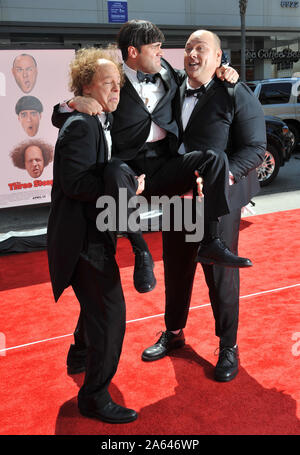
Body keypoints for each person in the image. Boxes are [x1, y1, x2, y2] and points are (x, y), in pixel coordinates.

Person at [51, 20, 243, 376]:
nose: (163, 52)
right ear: (133, 53)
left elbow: (202, 75)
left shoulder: (168, 71)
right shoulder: (113, 80)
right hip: (127, 176)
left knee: (212, 159)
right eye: (155, 46)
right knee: (99, 273)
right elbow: (60, 113)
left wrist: (225, 69)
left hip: (166, 170)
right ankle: (137, 254)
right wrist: (72, 102)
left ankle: (213, 241)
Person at [141, 30, 266, 383]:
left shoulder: (235, 92)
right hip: (179, 200)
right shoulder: (175, 87)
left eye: (201, 48)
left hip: (217, 202)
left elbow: (256, 148)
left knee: (220, 274)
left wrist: (223, 176)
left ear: (218, 58)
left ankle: (228, 346)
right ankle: (175, 332)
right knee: (177, 271)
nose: (192, 53)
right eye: (188, 48)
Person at [47, 48, 139, 424]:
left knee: (95, 305)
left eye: (118, 83)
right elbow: (74, 183)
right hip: (83, 239)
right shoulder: (83, 124)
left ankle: (80, 354)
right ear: (87, 85)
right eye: (108, 83)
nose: (116, 90)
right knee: (112, 314)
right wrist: (122, 186)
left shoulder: (91, 115)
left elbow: (60, 112)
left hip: (91, 232)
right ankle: (94, 395)